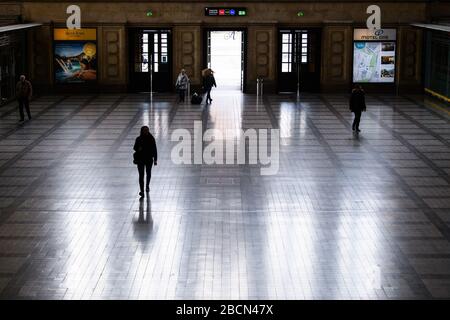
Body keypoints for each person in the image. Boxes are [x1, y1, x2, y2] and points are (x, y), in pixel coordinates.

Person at [133, 126, 158, 197]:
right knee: (141, 175)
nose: (146, 132)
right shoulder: (138, 139)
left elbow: (154, 149)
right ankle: (142, 191)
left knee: (148, 173)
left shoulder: (151, 139)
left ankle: (147, 185)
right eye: (145, 130)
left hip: (149, 159)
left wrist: (155, 159)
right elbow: (135, 148)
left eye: (147, 130)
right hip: (140, 159)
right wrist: (138, 149)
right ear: (142, 131)